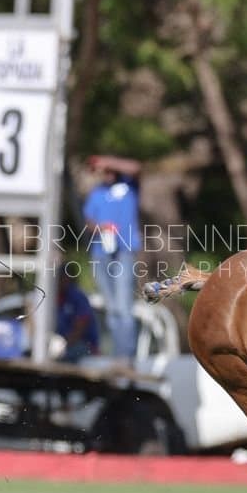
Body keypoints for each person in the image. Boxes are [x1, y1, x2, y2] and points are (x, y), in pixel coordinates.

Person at [82, 155, 141, 362]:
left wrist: (108, 161)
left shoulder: (129, 186)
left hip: (124, 251)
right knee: (112, 309)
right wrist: (101, 228)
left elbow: (135, 167)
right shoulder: (97, 192)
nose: (105, 173)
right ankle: (118, 354)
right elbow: (88, 220)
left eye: (108, 170)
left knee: (124, 307)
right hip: (101, 253)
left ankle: (127, 357)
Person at [54, 267, 99, 363]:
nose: (61, 280)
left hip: (85, 346)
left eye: (63, 277)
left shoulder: (78, 296)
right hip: (60, 345)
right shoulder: (52, 295)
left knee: (64, 355)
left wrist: (63, 345)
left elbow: (81, 325)